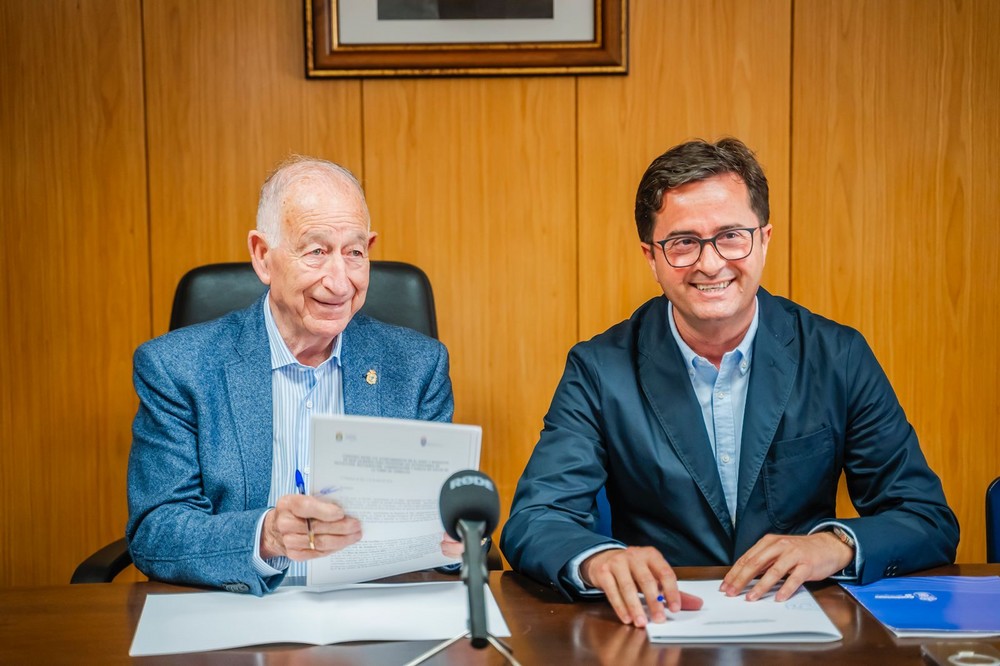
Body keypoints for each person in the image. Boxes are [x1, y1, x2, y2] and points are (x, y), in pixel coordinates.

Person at [500, 138, 958, 627]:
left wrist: (835, 544)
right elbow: (536, 518)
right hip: (660, 626)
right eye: (682, 243)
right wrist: (599, 560)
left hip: (802, 624)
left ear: (764, 239)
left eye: (731, 236)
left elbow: (925, 517)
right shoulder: (599, 369)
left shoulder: (837, 355)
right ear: (651, 257)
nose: (711, 263)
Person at [126, 156, 460, 595]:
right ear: (263, 256)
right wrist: (266, 536)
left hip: (371, 610)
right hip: (236, 612)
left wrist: (454, 540)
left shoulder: (417, 366)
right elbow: (157, 531)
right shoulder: (178, 368)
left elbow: (438, 525)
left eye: (354, 252)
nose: (339, 282)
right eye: (317, 251)